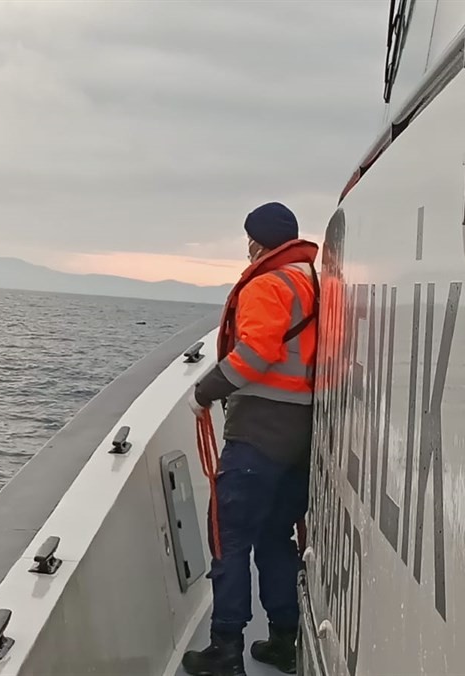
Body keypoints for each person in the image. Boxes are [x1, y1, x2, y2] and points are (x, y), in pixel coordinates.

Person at [182, 202, 319, 676]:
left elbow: (255, 354)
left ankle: (225, 650)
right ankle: (285, 639)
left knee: (229, 538)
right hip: (299, 436)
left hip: (258, 433)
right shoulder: (310, 284)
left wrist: (204, 392)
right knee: (273, 538)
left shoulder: (267, 284)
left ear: (260, 242)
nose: (247, 247)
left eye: (249, 238)